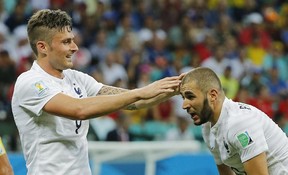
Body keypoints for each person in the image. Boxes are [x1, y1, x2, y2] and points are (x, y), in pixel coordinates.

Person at [11, 9, 182, 175]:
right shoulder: (30, 82)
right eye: (66, 42)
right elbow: (79, 110)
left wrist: (175, 88)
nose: (75, 47)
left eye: (73, 40)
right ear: (43, 47)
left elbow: (133, 103)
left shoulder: (76, 78)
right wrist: (139, 92)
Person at [179, 67, 288, 174]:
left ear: (213, 96)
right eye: (183, 97)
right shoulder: (208, 127)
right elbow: (224, 170)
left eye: (190, 97)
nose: (184, 105)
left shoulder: (239, 123)